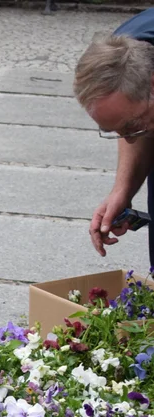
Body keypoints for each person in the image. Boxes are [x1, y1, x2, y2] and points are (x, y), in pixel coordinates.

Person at [75, 11, 154, 263]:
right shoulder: (127, 52)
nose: (129, 139)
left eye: (132, 125)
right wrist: (122, 190)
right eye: (117, 131)